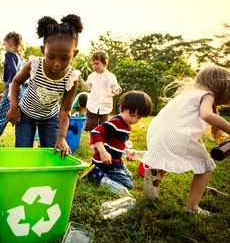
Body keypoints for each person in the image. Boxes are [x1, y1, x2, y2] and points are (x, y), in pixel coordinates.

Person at [141, 65, 230, 216]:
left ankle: (156, 175)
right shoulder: (207, 95)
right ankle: (192, 207)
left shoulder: (187, 95)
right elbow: (207, 115)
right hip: (174, 136)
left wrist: (199, 145)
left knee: (171, 154)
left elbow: (186, 124)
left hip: (155, 134)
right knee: (205, 167)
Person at [6, 14, 84, 158]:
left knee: (52, 153)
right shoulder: (35, 65)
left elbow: (66, 110)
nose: (57, 63)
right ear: (43, 51)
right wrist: (14, 108)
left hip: (50, 118)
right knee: (22, 154)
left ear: (74, 54)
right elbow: (16, 82)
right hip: (25, 116)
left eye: (65, 58)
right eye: (51, 56)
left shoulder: (72, 78)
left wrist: (62, 136)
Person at [89, 91, 152, 189]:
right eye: (132, 114)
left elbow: (118, 143)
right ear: (123, 108)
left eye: (138, 117)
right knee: (128, 186)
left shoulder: (127, 126)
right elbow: (95, 132)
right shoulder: (116, 123)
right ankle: (96, 174)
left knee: (129, 177)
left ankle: (104, 173)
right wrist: (103, 152)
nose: (134, 120)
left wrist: (127, 151)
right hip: (105, 163)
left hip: (116, 162)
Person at [79, 50, 122, 132]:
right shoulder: (92, 76)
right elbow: (87, 87)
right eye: (93, 64)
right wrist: (80, 78)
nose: (94, 66)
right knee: (90, 124)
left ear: (105, 63)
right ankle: (90, 135)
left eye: (97, 63)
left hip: (105, 105)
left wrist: (117, 90)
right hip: (93, 104)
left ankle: (101, 137)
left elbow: (115, 86)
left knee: (104, 126)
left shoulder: (110, 76)